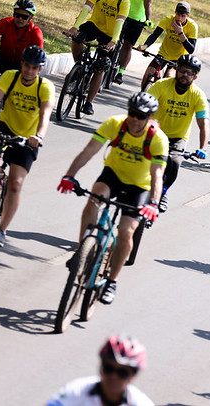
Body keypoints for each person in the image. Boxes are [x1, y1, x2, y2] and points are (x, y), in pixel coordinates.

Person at [57, 93, 168, 304]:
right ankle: (82, 251)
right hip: (113, 175)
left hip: (139, 187)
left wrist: (154, 203)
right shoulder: (114, 124)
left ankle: (111, 281)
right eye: (132, 113)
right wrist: (69, 175)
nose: (135, 119)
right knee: (93, 200)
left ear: (150, 118)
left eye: (141, 116)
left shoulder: (158, 139)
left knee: (126, 231)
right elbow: (88, 151)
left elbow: (157, 174)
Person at [0, 45, 54, 248]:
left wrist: (38, 136)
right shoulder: (10, 76)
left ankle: (1, 230)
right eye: (27, 65)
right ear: (21, 63)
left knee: (15, 183)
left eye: (34, 67)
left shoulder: (45, 87)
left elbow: (45, 115)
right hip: (5, 125)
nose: (29, 71)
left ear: (40, 69)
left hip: (28, 137)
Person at [147, 54, 209, 211]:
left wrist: (203, 148)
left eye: (190, 72)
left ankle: (163, 191)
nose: (185, 75)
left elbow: (203, 124)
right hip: (155, 132)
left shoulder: (198, 95)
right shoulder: (161, 85)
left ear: (195, 76)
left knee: (174, 162)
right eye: (182, 70)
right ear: (176, 70)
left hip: (177, 138)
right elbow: (145, 108)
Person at [65, 0, 130, 116]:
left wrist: (114, 41)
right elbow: (86, 9)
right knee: (76, 38)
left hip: (111, 34)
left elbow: (119, 22)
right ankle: (79, 67)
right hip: (94, 25)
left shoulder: (124, 1)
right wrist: (75, 27)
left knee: (101, 65)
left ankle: (89, 102)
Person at [47, 335, 153, 406]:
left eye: (122, 373)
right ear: (101, 368)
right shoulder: (77, 390)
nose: (113, 376)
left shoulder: (141, 403)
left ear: (133, 376)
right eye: (109, 369)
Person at [138, 1, 198, 91]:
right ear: (175, 12)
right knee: (148, 74)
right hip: (163, 54)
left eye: (183, 16)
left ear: (188, 16)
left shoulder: (192, 26)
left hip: (179, 59)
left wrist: (180, 33)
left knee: (169, 76)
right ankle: (143, 94)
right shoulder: (168, 20)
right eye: (178, 15)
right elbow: (155, 35)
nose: (179, 18)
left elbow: (191, 49)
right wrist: (145, 46)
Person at [115, 0, 155, 85]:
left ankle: (121, 72)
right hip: (122, 15)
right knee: (114, 39)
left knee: (128, 46)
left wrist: (148, 19)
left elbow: (148, 6)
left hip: (137, 20)